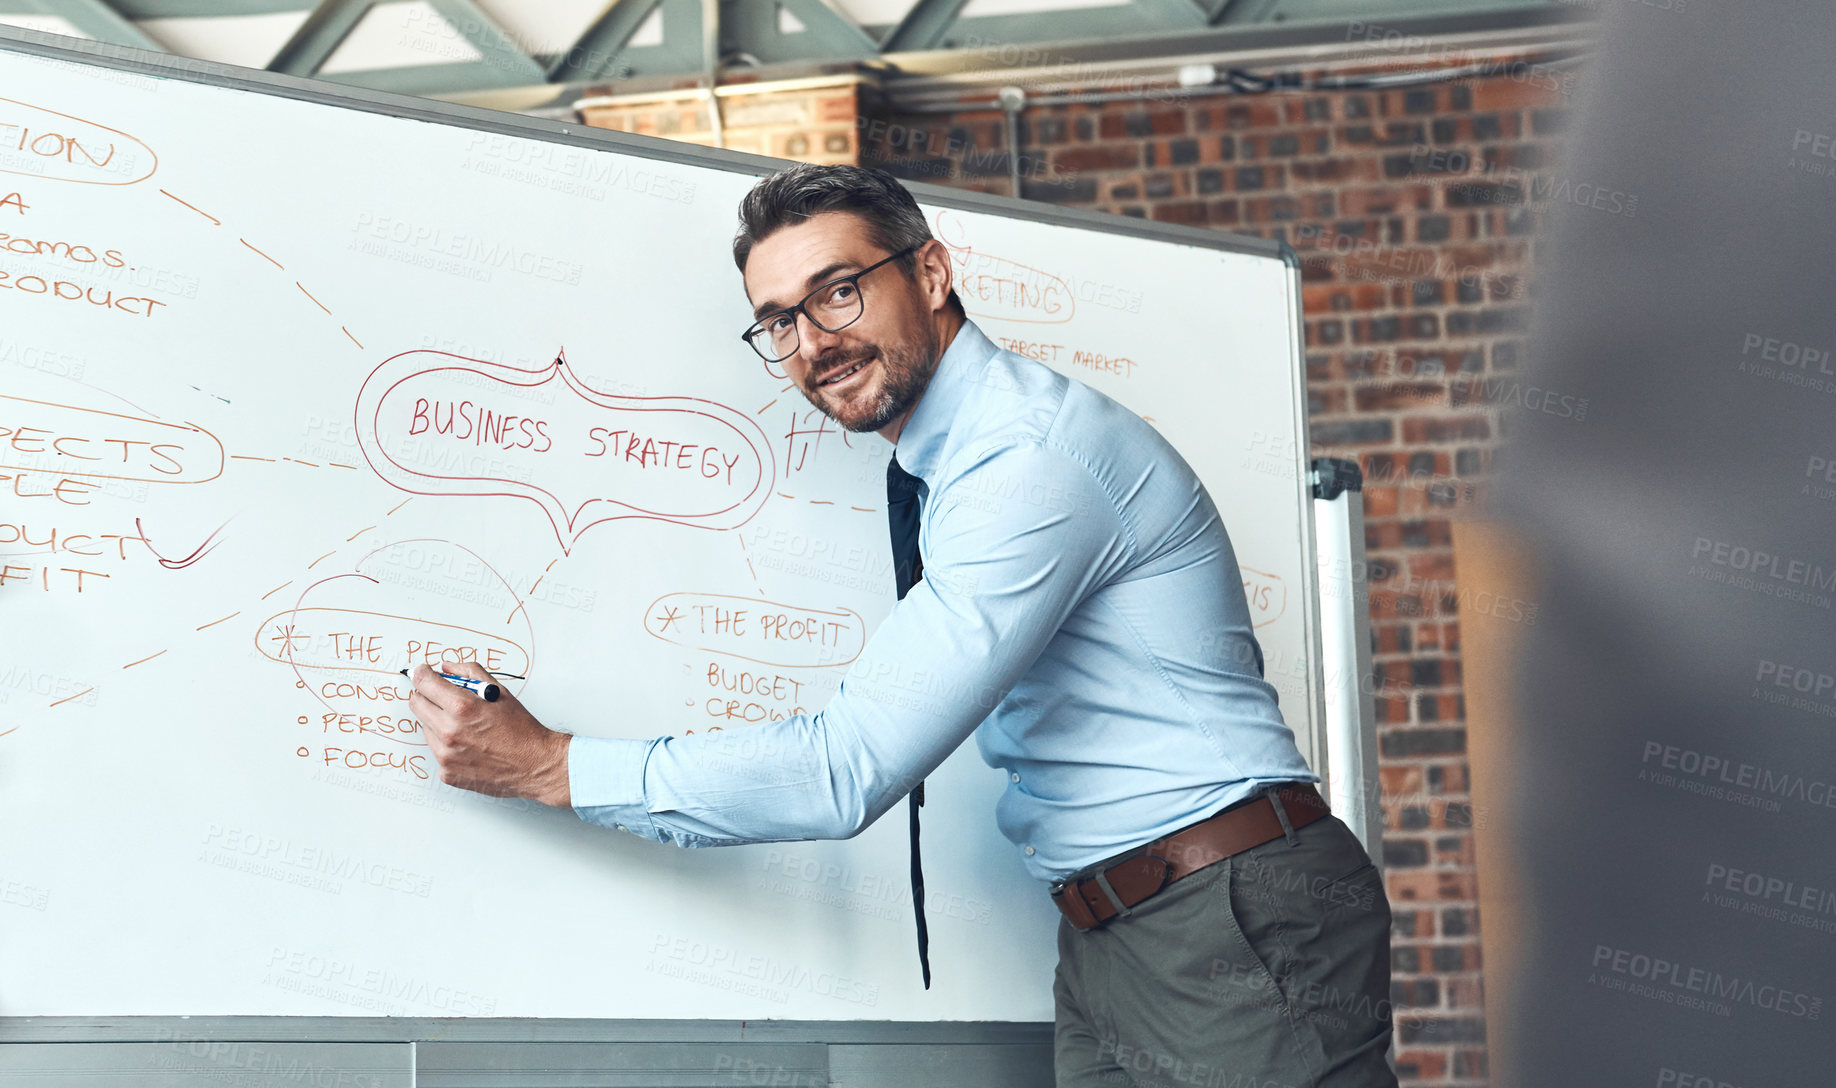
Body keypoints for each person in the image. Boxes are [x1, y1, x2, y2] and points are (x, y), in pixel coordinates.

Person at [407, 163, 1397, 1088]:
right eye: (779, 322)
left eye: (838, 291)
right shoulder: (945, 459)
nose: (814, 342)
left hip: (1226, 915)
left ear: (930, 272)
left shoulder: (1027, 462)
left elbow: (847, 768)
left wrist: (549, 765)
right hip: (1116, 930)